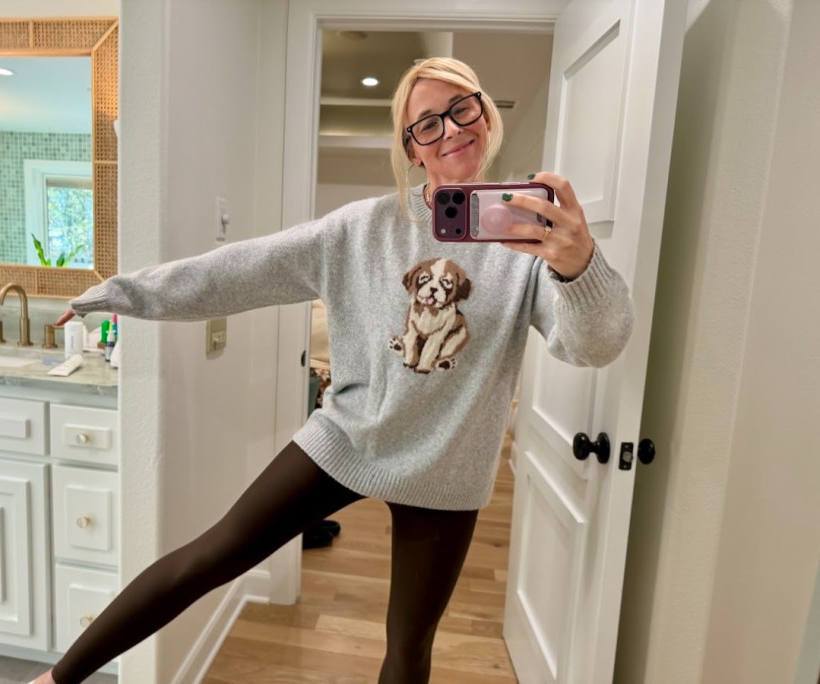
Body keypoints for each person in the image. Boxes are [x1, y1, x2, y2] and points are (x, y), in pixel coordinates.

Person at [32, 57, 633, 684]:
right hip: (347, 435)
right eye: (426, 124)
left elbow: (592, 346)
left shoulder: (530, 242)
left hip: (450, 463)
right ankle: (55, 680)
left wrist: (580, 264)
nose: (450, 130)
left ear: (485, 116)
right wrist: (119, 294)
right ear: (411, 149)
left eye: (462, 109)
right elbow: (236, 270)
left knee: (409, 644)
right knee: (210, 556)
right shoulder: (360, 229)